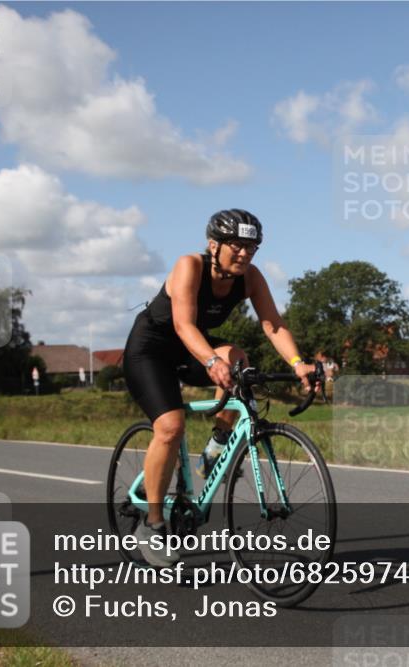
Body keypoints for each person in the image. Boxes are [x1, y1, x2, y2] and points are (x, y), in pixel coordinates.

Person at [122, 209, 318, 567]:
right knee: (170, 426)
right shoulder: (189, 266)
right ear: (214, 245)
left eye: (252, 248)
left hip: (190, 349)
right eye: (237, 246)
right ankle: (151, 525)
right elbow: (183, 325)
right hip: (150, 350)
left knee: (239, 360)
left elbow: (272, 324)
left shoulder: (251, 278)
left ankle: (217, 446)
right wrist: (212, 362)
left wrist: (297, 363)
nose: (244, 254)